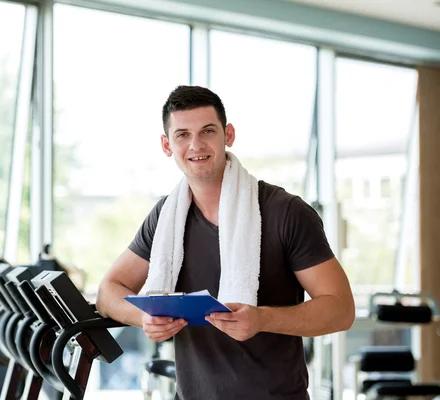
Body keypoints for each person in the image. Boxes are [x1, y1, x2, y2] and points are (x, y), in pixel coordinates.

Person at [96, 85, 355, 400]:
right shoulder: (166, 216)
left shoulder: (285, 212)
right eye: (182, 135)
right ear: (167, 145)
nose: (196, 145)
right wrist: (144, 319)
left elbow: (341, 309)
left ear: (228, 135)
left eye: (207, 131)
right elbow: (109, 290)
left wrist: (262, 319)